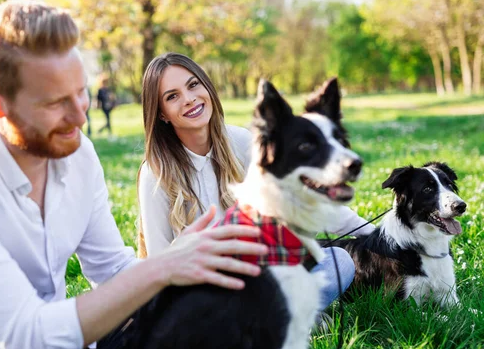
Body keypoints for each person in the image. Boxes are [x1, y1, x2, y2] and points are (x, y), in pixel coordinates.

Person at [0, 0, 269, 349]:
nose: (79, 116)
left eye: (81, 92)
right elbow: (30, 341)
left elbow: (111, 273)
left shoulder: (77, 154)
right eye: (55, 102)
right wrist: (165, 266)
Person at [136, 52, 375, 313]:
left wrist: (378, 234)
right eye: (172, 96)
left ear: (206, 86)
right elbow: (158, 266)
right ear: (161, 114)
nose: (189, 99)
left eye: (193, 85)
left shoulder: (241, 142)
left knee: (339, 263)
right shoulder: (155, 174)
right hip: (200, 300)